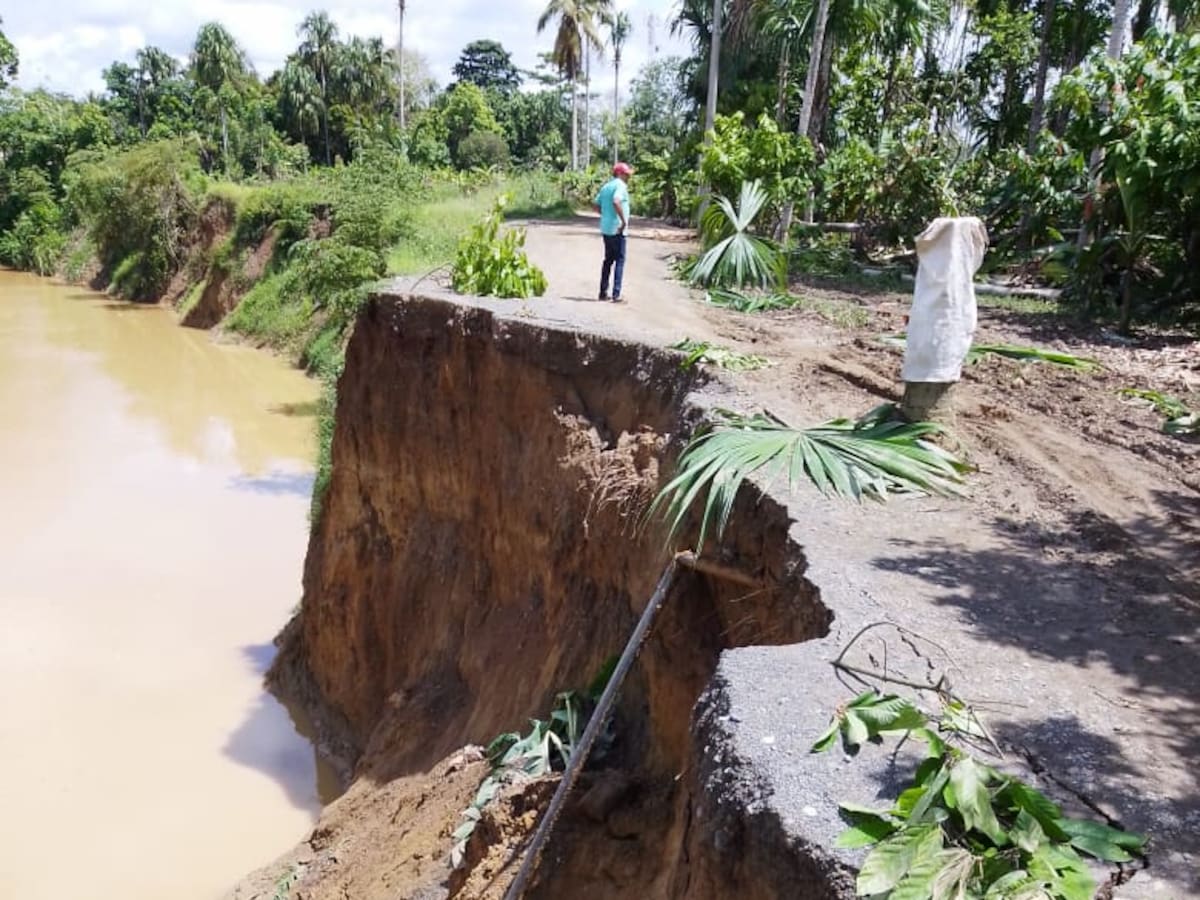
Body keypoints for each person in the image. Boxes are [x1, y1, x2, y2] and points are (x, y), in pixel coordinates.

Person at [593, 162, 633, 303]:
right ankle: (616, 294)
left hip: (606, 229)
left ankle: (603, 292)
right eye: (626, 173)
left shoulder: (606, 186)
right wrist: (623, 221)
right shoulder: (620, 186)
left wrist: (605, 216)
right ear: (620, 173)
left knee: (608, 260)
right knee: (620, 261)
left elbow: (596, 204)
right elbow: (616, 201)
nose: (628, 176)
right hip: (618, 229)